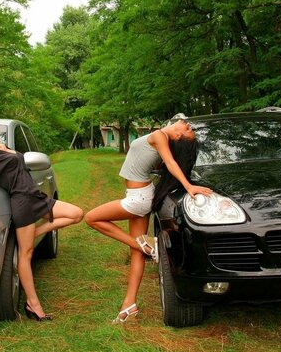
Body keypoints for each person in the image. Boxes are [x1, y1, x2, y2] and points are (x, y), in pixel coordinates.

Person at [0, 128, 83, 321]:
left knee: (76, 214)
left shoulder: (2, 147)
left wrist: (38, 229)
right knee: (26, 255)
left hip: (36, 197)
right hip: (22, 202)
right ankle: (33, 305)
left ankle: (35, 231)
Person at [84, 117, 212, 323]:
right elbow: (161, 162)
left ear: (178, 135)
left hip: (138, 199)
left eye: (187, 128)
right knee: (136, 252)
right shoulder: (160, 139)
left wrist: (189, 186)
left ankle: (150, 248)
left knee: (91, 218)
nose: (186, 123)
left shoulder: (159, 136)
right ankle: (129, 305)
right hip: (142, 194)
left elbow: (170, 163)